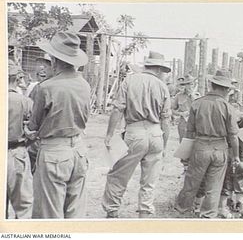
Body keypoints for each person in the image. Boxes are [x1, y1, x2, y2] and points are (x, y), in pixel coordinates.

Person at [27, 32, 91, 218]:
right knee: (75, 211)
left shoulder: (46, 87)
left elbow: (33, 126)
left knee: (49, 214)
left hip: (54, 152)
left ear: (55, 60)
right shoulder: (84, 85)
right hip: (78, 149)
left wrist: (29, 130)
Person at [102, 51, 171, 218]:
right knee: (149, 180)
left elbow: (118, 109)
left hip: (135, 131)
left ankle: (112, 211)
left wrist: (110, 134)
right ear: (160, 69)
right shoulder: (162, 86)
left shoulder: (130, 80)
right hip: (156, 133)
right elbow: (166, 119)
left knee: (118, 174)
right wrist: (164, 143)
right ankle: (144, 215)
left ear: (146, 65)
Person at [174, 72, 239, 218]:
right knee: (214, 186)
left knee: (192, 181)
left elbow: (189, 132)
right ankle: (207, 215)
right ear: (226, 89)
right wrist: (235, 156)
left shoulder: (197, 103)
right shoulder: (228, 107)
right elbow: (233, 136)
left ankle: (182, 209)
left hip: (200, 146)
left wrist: (186, 155)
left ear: (211, 85)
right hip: (220, 148)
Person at [7, 63, 33, 219]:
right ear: (18, 79)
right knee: (23, 205)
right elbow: (35, 131)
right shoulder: (25, 101)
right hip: (17, 152)